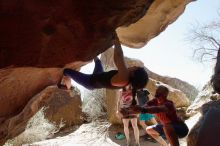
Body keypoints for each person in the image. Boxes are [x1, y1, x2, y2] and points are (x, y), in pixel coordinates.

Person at [58, 32, 148, 104]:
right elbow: (117, 59)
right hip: (98, 75)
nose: (133, 66)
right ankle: (89, 45)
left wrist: (116, 39)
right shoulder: (126, 79)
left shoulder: (124, 78)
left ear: (134, 73)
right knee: (97, 61)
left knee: (66, 71)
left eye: (135, 67)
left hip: (89, 82)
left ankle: (68, 87)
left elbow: (119, 57)